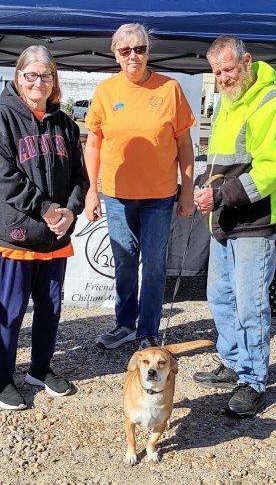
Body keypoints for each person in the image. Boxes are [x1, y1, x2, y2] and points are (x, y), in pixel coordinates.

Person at [191, 35, 276, 418]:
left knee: (251, 304)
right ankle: (233, 363)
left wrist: (219, 196)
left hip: (254, 222)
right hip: (224, 218)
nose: (221, 78)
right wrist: (204, 186)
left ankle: (253, 381)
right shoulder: (228, 101)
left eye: (227, 70)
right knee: (220, 296)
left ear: (247, 61)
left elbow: (271, 170)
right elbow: (221, 159)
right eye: (216, 72)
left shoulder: (273, 104)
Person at [0, 45, 89, 410]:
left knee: (50, 307)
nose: (38, 82)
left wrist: (71, 211)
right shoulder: (1, 119)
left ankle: (39, 369)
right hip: (17, 235)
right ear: (18, 76)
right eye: (31, 75)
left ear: (53, 80)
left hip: (55, 236)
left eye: (46, 76)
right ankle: (1, 380)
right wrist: (45, 208)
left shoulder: (65, 124)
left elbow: (80, 176)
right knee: (10, 311)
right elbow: (2, 179)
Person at [84, 23, 196, 351]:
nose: (133, 56)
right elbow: (92, 144)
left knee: (156, 265)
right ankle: (124, 324)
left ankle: (148, 329)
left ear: (148, 52)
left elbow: (185, 147)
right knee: (124, 262)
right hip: (117, 196)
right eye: (125, 50)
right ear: (115, 55)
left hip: (159, 196)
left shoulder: (170, 89)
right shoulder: (106, 91)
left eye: (140, 49)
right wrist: (92, 189)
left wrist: (186, 191)